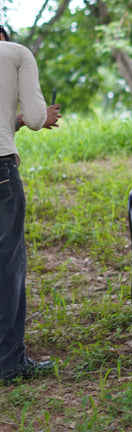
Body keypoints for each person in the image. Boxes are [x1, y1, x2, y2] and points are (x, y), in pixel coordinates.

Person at [0, 33, 61, 384]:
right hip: (1, 175)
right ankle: (9, 363)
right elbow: (38, 117)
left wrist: (16, 120)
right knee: (8, 266)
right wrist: (36, 117)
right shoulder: (17, 54)